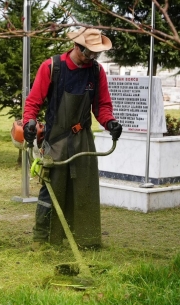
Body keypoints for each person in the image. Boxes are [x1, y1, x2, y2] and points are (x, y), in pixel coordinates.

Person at [22, 28, 122, 250]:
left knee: (84, 188)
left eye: (96, 54)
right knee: (51, 188)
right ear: (77, 47)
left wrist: (110, 123)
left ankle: (85, 239)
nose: (92, 58)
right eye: (89, 53)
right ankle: (43, 239)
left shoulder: (96, 72)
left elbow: (102, 106)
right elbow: (33, 102)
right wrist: (29, 121)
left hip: (82, 138)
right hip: (56, 137)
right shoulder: (52, 67)